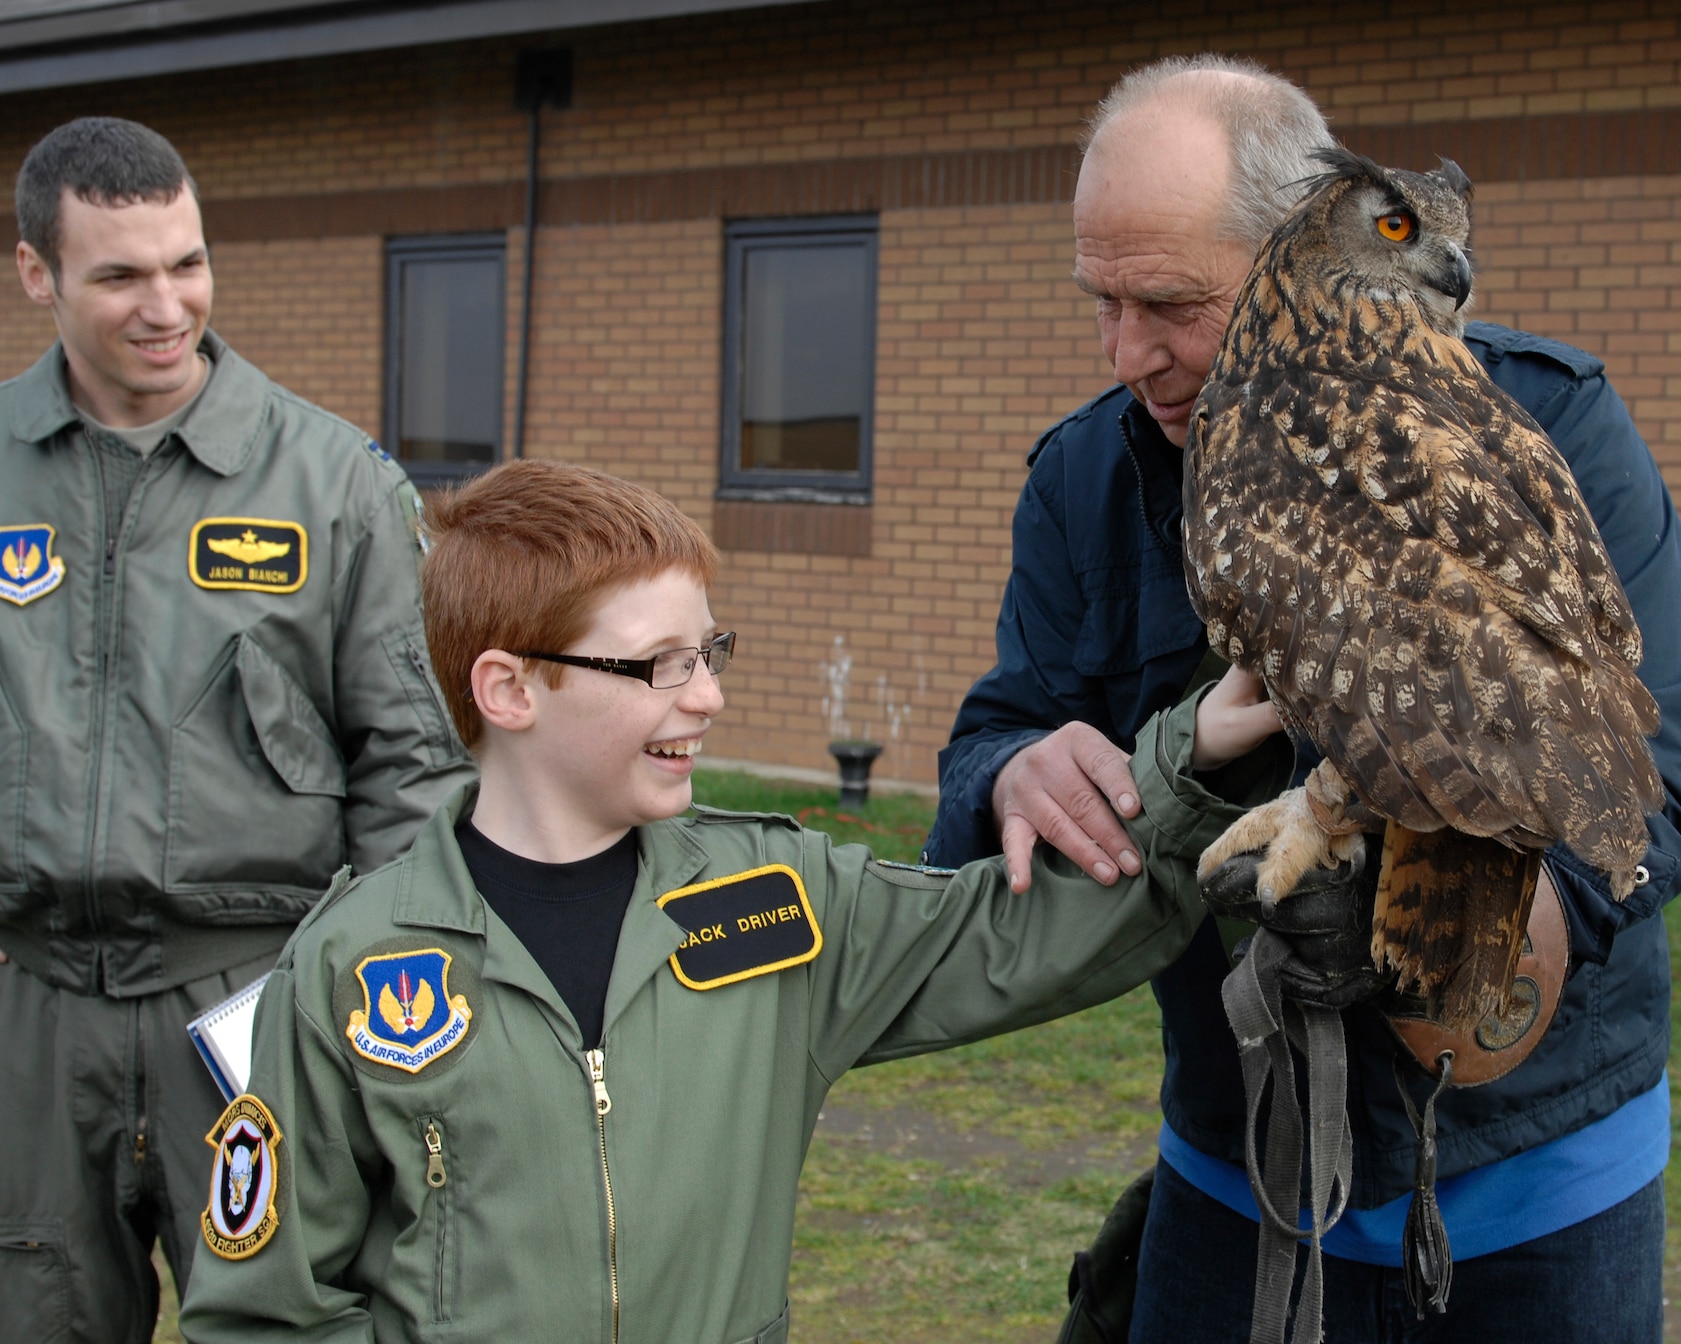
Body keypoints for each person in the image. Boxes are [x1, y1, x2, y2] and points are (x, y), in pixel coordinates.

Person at [926, 56, 1681, 1343]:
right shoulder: (1088, 474)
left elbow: (1659, 787)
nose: (1130, 352)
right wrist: (1009, 771)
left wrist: (1466, 944)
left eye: (1169, 304)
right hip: (1238, 1158)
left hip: (1534, 1174)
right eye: (1102, 303)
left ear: (1299, 252)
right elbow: (992, 739)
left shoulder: (1538, 422)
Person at [175, 457, 1288, 1343]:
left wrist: (1188, 759)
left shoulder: (773, 903)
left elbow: (1019, 933)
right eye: (658, 666)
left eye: (709, 650)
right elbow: (264, 1308)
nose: (707, 695)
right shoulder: (352, 965)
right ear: (509, 688)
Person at [0, 117, 475, 1344]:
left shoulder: (332, 484)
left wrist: (383, 1010)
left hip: (253, 1004)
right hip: (29, 1007)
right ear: (36, 272)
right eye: (120, 275)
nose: (169, 306)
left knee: (279, 1323)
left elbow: (413, 774)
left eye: (188, 263)